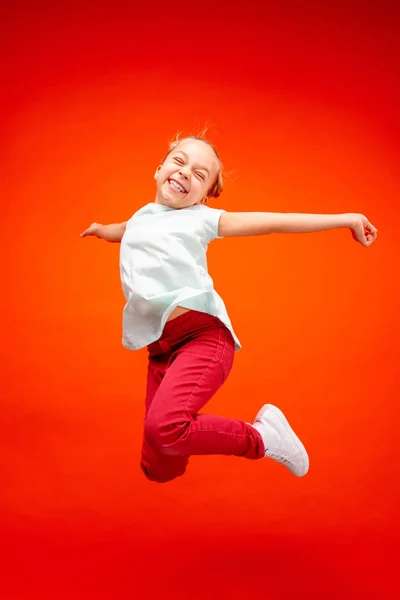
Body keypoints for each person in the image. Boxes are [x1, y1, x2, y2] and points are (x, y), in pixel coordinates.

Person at [81, 134, 378, 483]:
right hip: (161, 348)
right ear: (159, 169)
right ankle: (176, 449)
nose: (185, 173)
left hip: (202, 339)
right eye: (179, 162)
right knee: (159, 467)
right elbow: (125, 231)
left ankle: (264, 437)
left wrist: (347, 219)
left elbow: (274, 222)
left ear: (202, 197)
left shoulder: (200, 219)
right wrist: (103, 230)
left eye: (200, 173)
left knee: (164, 430)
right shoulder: (142, 218)